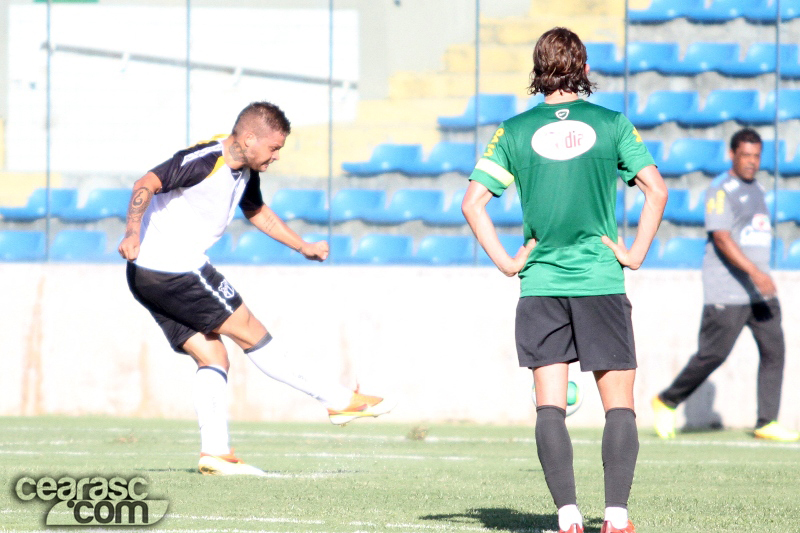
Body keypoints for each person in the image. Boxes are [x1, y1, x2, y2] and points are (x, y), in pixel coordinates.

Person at [462, 28, 667, 533]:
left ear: (538, 68)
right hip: (600, 280)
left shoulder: (512, 130)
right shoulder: (612, 123)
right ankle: (616, 517)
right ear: (583, 66)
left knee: (550, 405)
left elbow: (472, 203)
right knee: (618, 405)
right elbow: (656, 191)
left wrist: (508, 263)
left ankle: (568, 515)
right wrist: (634, 253)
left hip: (541, 285)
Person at [119, 101, 394, 476]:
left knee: (213, 357)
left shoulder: (247, 169)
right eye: (273, 148)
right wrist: (132, 232)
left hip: (146, 275)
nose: (276, 156)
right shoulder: (204, 159)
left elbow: (257, 212)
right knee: (254, 335)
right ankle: (339, 399)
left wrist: (303, 246)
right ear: (248, 139)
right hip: (175, 269)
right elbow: (145, 184)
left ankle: (215, 453)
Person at [652, 128, 799, 442]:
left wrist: (761, 278)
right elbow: (721, 237)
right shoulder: (721, 189)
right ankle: (666, 401)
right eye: (745, 155)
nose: (751, 162)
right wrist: (755, 273)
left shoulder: (757, 189)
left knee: (775, 351)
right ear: (732, 155)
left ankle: (766, 421)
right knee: (713, 355)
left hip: (759, 293)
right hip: (728, 291)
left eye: (757, 156)